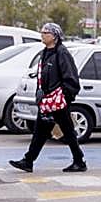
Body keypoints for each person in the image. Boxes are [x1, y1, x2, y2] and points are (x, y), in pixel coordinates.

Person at [9, 22, 86, 173]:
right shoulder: (45, 53)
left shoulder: (62, 53)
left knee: (66, 131)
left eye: (46, 33)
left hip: (58, 101)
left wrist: (64, 97)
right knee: (42, 131)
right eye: (42, 32)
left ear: (55, 36)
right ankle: (29, 161)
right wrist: (40, 92)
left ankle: (78, 161)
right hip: (47, 101)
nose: (42, 35)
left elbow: (71, 79)